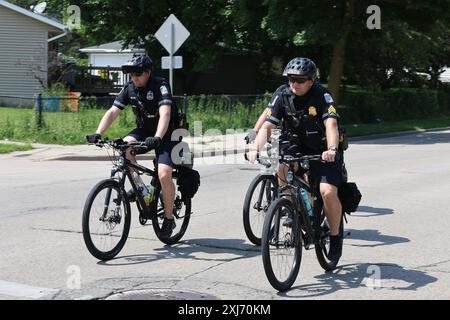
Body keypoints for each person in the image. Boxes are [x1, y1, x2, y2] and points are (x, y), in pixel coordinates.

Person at [246, 57, 344, 261]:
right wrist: (255, 147)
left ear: (311, 80)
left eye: (299, 80)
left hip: (323, 148)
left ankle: (334, 237)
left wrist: (332, 148)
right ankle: (290, 209)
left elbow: (331, 125)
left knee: (326, 192)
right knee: (281, 168)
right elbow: (268, 124)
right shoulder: (283, 94)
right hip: (295, 144)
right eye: (291, 79)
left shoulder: (322, 96)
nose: (294, 84)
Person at [86, 53, 178, 238]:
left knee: (163, 174)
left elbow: (165, 113)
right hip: (144, 130)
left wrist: (158, 137)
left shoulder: (160, 85)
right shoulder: (129, 88)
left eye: (138, 74)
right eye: (131, 74)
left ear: (148, 72)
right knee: (124, 147)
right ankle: (140, 189)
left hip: (168, 133)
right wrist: (98, 133)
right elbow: (113, 111)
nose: (134, 78)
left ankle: (168, 218)